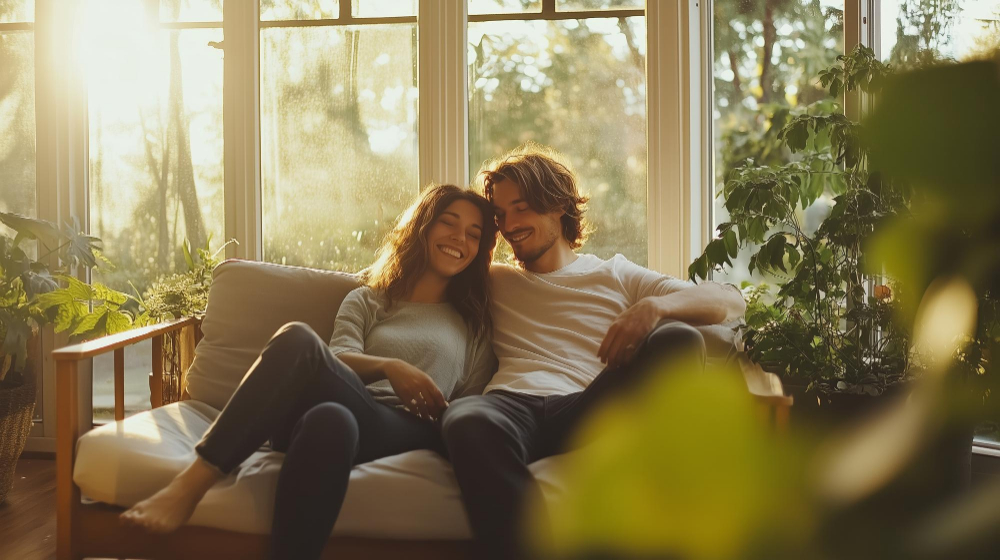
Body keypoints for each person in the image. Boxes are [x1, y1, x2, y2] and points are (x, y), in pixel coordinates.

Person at [120, 184, 499, 560]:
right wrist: (390, 367)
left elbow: (471, 405)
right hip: (351, 403)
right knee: (324, 403)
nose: (459, 238)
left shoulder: (474, 322)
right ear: (424, 228)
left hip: (411, 426)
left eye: (473, 233)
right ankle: (190, 487)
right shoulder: (369, 299)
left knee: (317, 387)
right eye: (448, 223)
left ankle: (189, 488)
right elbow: (338, 358)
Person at [441, 143, 747, 559]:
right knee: (465, 417)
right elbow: (409, 268)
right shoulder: (492, 277)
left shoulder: (616, 274)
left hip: (591, 408)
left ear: (559, 207)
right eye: (500, 215)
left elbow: (729, 301)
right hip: (511, 406)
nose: (509, 224)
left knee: (679, 340)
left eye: (522, 208)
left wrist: (653, 307)